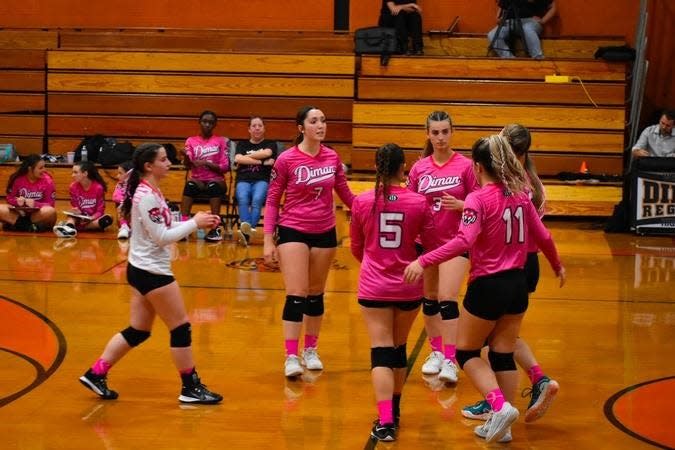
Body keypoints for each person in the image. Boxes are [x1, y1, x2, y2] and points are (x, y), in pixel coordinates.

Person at [404, 135, 566, 443]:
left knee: (466, 353)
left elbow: (463, 241)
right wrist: (557, 265)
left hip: (488, 284)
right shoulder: (521, 194)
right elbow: (543, 236)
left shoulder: (478, 198)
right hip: (518, 283)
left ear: (477, 166)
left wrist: (424, 260)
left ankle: (498, 405)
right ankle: (502, 424)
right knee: (503, 352)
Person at [79, 143, 223, 404]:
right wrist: (194, 223)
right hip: (152, 272)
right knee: (181, 327)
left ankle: (96, 372)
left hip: (140, 269)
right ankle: (190, 388)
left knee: (139, 330)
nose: (169, 163)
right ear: (149, 166)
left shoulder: (151, 191)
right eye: (164, 159)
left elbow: (165, 226)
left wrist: (198, 220)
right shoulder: (145, 195)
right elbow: (161, 237)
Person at [461, 124, 559, 424]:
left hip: (507, 262)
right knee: (501, 342)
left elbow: (484, 228)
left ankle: (515, 394)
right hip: (524, 265)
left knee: (482, 343)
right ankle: (505, 405)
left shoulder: (513, 186)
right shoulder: (529, 181)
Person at [351, 143, 438, 442]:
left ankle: (385, 421)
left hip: (374, 286)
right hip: (408, 286)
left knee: (381, 352)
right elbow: (431, 244)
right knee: (399, 350)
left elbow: (356, 249)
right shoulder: (418, 202)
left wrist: (377, 267)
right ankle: (395, 412)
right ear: (404, 169)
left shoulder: (362, 202)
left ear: (376, 168)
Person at [263, 106, 355, 377]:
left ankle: (310, 349)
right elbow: (272, 200)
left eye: (323, 120)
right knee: (296, 294)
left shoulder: (332, 158)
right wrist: (268, 239)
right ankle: (291, 355)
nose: (320, 125)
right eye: (314, 121)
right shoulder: (287, 159)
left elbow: (346, 195)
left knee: (316, 295)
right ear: (301, 128)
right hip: (293, 228)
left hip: (325, 230)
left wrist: (372, 207)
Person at [407, 111, 479, 384]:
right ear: (428, 134)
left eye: (444, 132)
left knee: (448, 299)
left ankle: (451, 359)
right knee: (430, 299)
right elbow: (410, 203)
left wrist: (462, 206)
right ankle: (436, 352)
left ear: (452, 132)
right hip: (425, 243)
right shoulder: (419, 168)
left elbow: (479, 202)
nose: (440, 137)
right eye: (435, 132)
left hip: (456, 242)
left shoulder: (465, 166)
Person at [181, 110, 230, 242]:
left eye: (210, 122)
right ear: (200, 122)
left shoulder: (221, 141)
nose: (207, 125)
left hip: (216, 180)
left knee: (213, 186)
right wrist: (186, 158)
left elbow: (225, 167)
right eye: (204, 122)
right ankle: (183, 227)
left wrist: (205, 163)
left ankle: (215, 228)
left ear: (215, 125)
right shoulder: (191, 141)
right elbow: (188, 164)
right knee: (189, 185)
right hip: (197, 180)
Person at [234, 116, 278, 246]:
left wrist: (244, 157)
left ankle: (247, 231)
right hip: (243, 179)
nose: (257, 128)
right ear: (249, 129)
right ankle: (247, 230)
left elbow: (267, 153)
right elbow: (237, 159)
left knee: (257, 199)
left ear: (264, 129)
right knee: (242, 198)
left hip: (262, 179)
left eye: (260, 125)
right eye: (254, 126)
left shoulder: (270, 143)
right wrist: (262, 162)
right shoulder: (242, 144)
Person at [53, 161, 113, 238]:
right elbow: (75, 206)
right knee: (71, 217)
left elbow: (100, 211)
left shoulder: (98, 188)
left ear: (85, 173)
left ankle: (71, 228)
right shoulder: (73, 187)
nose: (72, 175)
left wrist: (92, 218)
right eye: (72, 172)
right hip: (80, 218)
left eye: (75, 172)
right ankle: (71, 227)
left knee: (109, 218)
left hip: (93, 218)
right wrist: (76, 211)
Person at [0, 154, 57, 232]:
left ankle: (17, 225)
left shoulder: (48, 181)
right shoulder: (18, 179)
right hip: (20, 214)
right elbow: (9, 198)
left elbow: (50, 204)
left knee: (51, 212)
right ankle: (31, 227)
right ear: (30, 169)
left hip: (37, 215)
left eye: (44, 167)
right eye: (40, 168)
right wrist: (17, 201)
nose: (44, 170)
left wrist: (35, 204)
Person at [487, 0, 557, 59]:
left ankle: (538, 58)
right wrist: (498, 18)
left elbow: (553, 6)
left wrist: (542, 21)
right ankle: (510, 59)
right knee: (492, 34)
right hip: (510, 21)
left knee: (527, 29)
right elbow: (502, 6)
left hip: (530, 21)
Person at [112, 160, 134, 239]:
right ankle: (124, 227)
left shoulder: (137, 185)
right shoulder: (119, 185)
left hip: (135, 212)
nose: (117, 176)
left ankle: (135, 228)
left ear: (129, 174)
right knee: (121, 206)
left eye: (120, 173)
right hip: (124, 211)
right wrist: (124, 201)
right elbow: (115, 197)